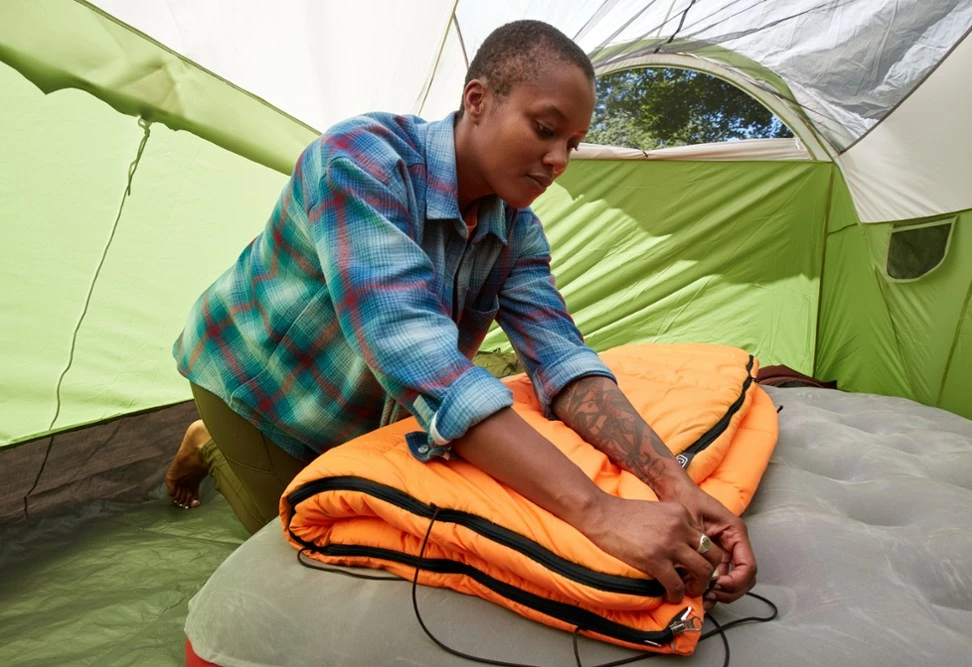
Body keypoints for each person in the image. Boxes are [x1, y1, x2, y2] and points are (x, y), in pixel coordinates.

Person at [165, 19, 755, 608]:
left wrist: (673, 482)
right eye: (545, 129)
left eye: (572, 144)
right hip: (259, 385)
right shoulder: (360, 160)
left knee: (362, 517)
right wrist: (600, 513)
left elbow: (562, 359)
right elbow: (414, 349)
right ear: (477, 100)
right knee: (296, 549)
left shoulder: (516, 229)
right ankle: (209, 444)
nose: (558, 160)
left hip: (365, 401)